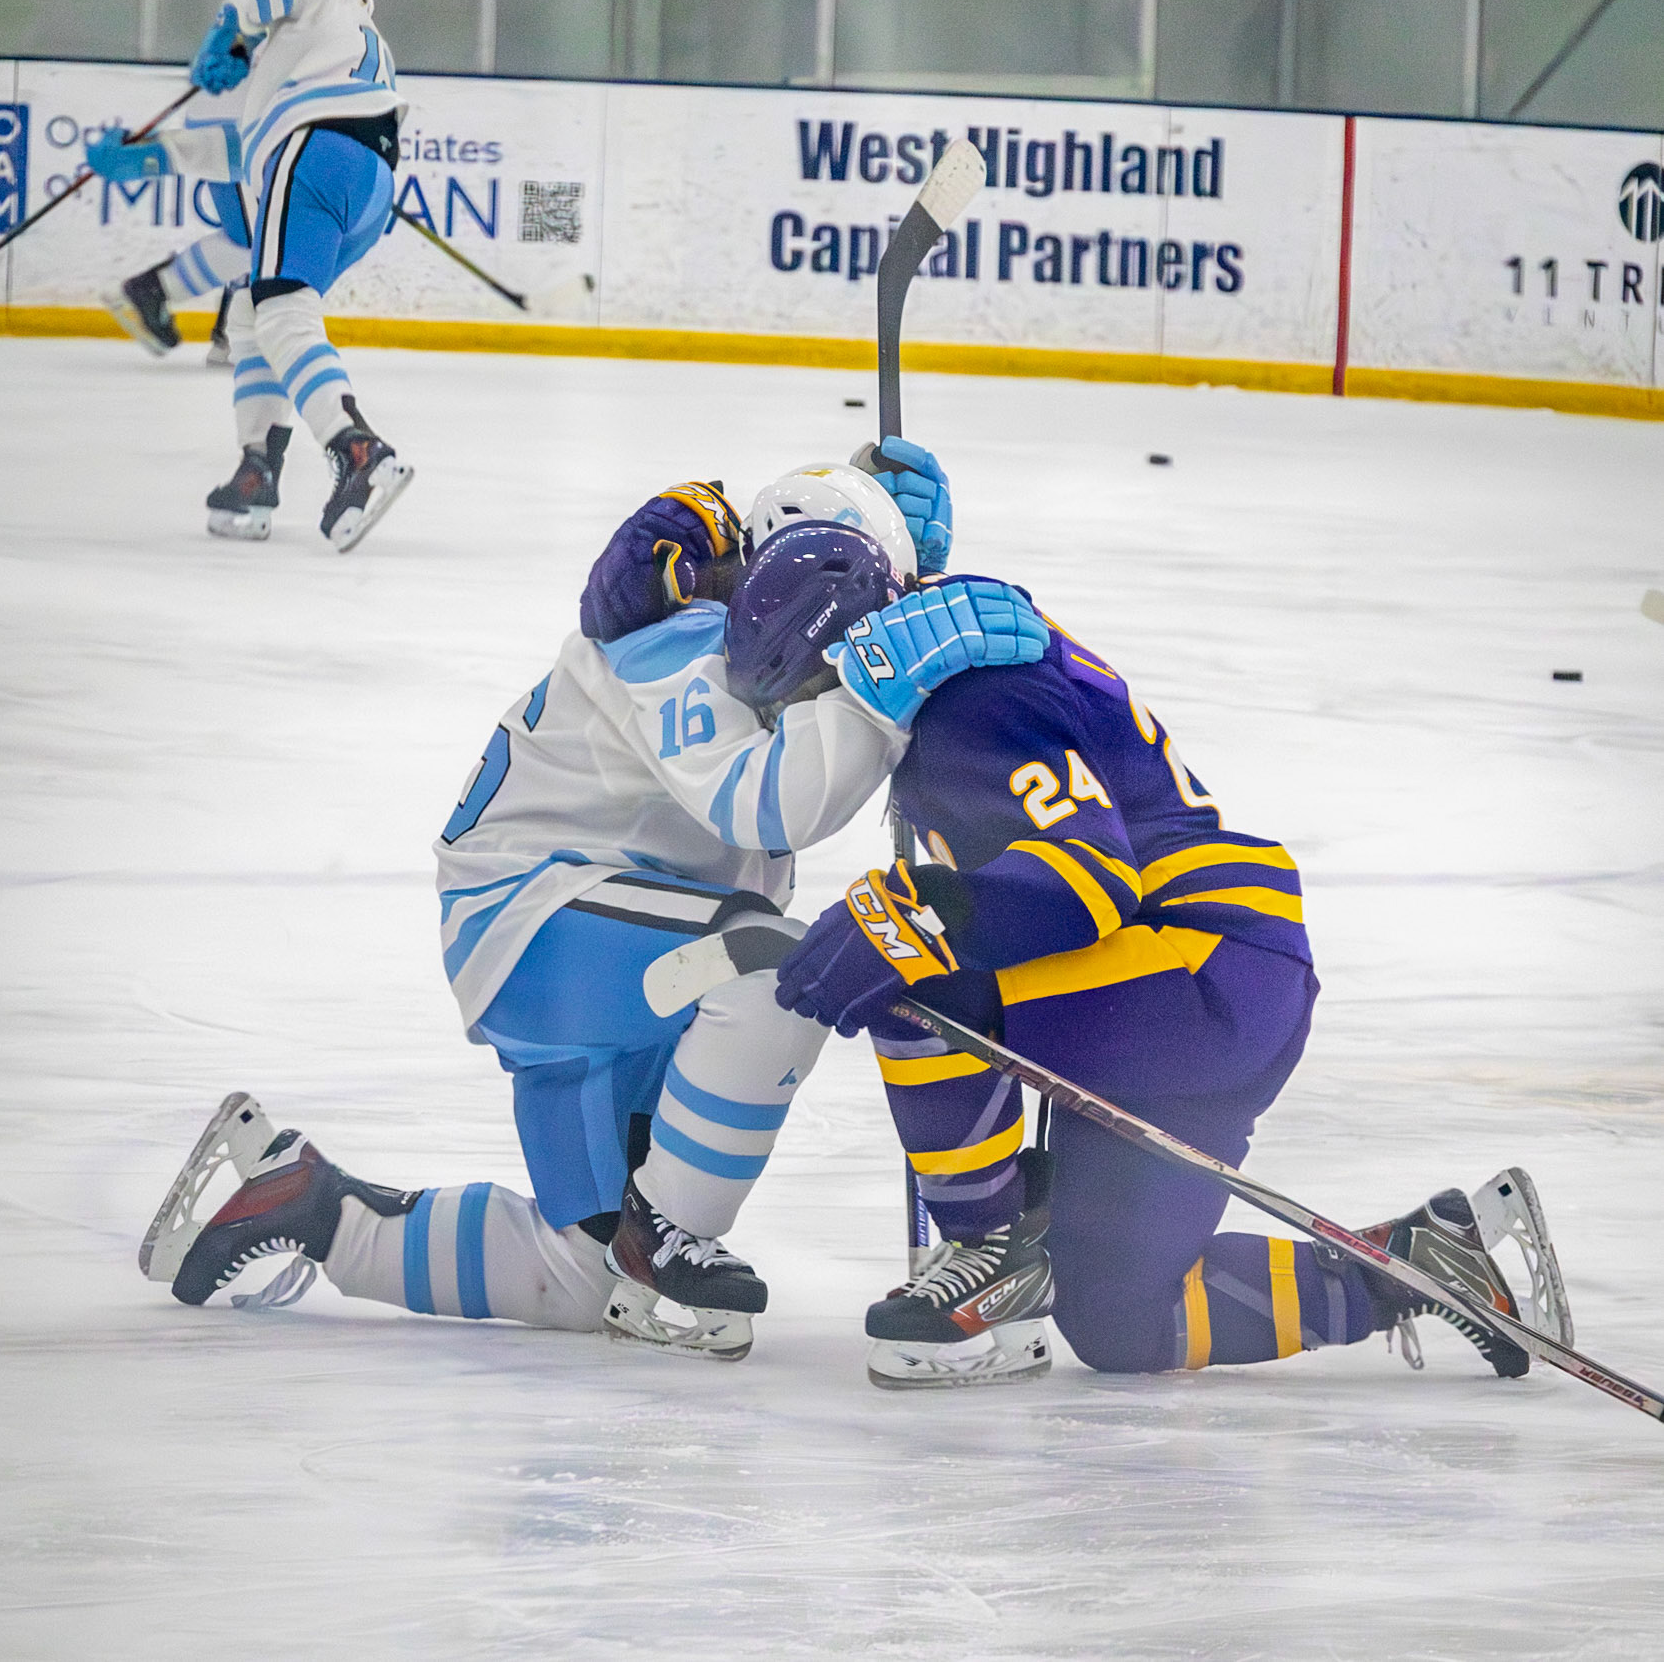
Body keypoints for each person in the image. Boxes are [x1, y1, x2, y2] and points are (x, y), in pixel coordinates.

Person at [139, 468, 1048, 1360]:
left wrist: (889, 567)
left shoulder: (754, 626)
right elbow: (770, 804)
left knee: (587, 1274)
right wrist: (889, 678)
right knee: (778, 969)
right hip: (539, 926)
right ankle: (673, 1232)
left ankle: (307, 1204)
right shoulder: (676, 640)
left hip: (631, 955)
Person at [766, 456, 1571, 1389]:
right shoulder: (953, 651)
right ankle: (1421, 1264)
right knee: (1121, 1315)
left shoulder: (969, 694)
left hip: (1197, 964)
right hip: (1200, 981)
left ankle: (992, 1247)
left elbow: (1087, 878)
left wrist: (918, 912)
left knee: (909, 965)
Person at [83, 0, 411, 551]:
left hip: (314, 148)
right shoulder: (340, 37)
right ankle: (257, 471)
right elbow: (246, 149)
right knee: (254, 315)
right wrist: (150, 156)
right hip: (370, 178)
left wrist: (227, 32)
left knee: (282, 315)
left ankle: (356, 447)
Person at [102, 88, 253, 365]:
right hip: (238, 119)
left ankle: (231, 337)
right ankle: (155, 288)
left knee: (262, 236)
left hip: (239, 114)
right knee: (260, 242)